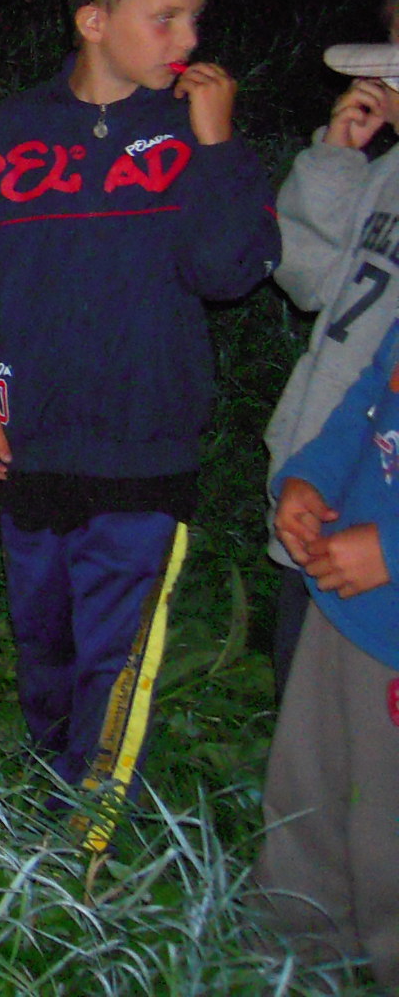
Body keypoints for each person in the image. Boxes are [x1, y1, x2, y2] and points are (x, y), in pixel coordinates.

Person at [0, 0, 279, 842]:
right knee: (43, 635)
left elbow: (229, 271)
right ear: (94, 19)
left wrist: (218, 147)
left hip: (143, 445)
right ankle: (46, 785)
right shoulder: (4, 140)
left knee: (114, 654)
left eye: (195, 18)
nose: (189, 40)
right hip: (31, 440)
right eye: (165, 17)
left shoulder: (195, 139)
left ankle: (84, 838)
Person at [254, 318, 399, 988]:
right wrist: (310, 480)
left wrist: (391, 551)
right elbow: (366, 403)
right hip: (341, 607)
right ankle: (293, 960)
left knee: (385, 833)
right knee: (305, 790)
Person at [264, 13, 399, 698]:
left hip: (383, 500)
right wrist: (334, 163)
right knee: (304, 686)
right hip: (325, 464)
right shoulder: (386, 174)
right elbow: (310, 280)